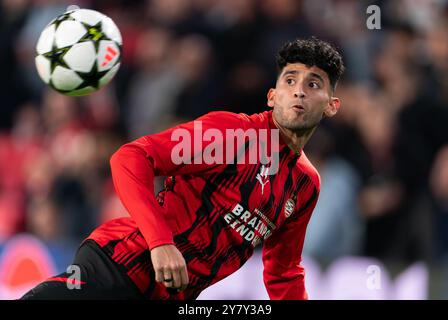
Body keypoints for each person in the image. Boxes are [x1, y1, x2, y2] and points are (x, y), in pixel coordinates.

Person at [22, 37, 344, 300]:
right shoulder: (230, 135)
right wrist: (160, 243)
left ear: (331, 105)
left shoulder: (305, 185)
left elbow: (283, 271)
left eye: (313, 84)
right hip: (119, 267)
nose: (299, 90)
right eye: (290, 80)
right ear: (273, 96)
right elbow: (131, 158)